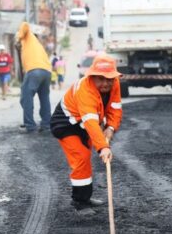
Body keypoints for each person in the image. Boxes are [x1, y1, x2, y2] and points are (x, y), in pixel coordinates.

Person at [50, 54, 123, 213]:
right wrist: (103, 147)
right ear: (92, 76)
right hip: (66, 123)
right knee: (81, 157)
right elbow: (90, 121)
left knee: (85, 158)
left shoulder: (114, 83)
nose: (106, 83)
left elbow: (115, 108)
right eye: (101, 79)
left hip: (86, 123)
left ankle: (86, 197)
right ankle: (80, 202)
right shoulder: (85, 89)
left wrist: (110, 128)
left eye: (109, 79)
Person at [15, 22, 53, 133]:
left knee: (25, 97)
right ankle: (46, 124)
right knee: (44, 97)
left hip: (35, 70)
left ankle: (30, 125)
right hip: (46, 71)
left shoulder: (27, 36)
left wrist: (18, 37)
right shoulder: (35, 45)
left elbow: (25, 24)